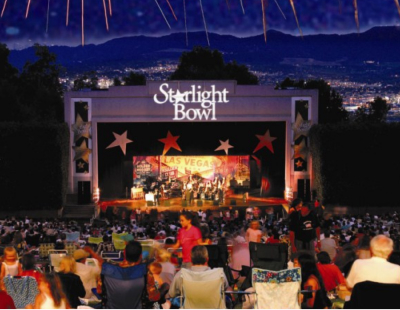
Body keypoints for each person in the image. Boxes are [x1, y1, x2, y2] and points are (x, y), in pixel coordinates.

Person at [100, 240, 161, 309]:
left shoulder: (108, 270)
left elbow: (100, 291)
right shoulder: (145, 272)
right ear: (140, 256)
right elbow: (153, 296)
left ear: (124, 254)